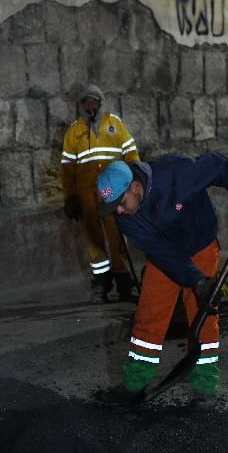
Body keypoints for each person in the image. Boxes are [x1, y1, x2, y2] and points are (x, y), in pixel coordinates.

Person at [90, 153, 228, 405]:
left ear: (135, 187)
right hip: (165, 254)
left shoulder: (176, 174)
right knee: (149, 314)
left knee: (203, 314)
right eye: (114, 206)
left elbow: (218, 166)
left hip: (200, 242)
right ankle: (134, 383)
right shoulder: (126, 218)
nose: (118, 210)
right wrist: (196, 280)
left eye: (121, 202)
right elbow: (162, 252)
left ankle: (204, 386)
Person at [60, 84, 142, 303]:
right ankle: (102, 282)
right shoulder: (74, 131)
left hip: (114, 193)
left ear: (101, 103)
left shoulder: (114, 124)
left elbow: (131, 152)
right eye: (86, 102)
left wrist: (136, 177)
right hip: (87, 195)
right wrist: (69, 197)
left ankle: (124, 281)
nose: (90, 106)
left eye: (94, 101)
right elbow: (67, 168)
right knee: (93, 238)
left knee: (117, 235)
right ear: (80, 105)